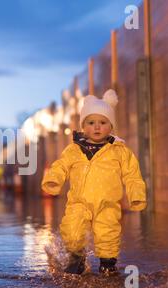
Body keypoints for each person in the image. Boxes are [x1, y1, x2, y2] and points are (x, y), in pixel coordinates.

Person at [41, 89, 147, 275]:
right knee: (72, 231)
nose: (97, 127)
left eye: (102, 122)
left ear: (111, 126)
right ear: (83, 126)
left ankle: (108, 264)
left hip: (107, 203)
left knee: (108, 233)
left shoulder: (119, 151)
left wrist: (136, 195)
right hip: (79, 202)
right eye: (91, 123)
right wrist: (53, 180)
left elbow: (132, 175)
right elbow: (61, 166)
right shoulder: (74, 150)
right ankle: (76, 259)